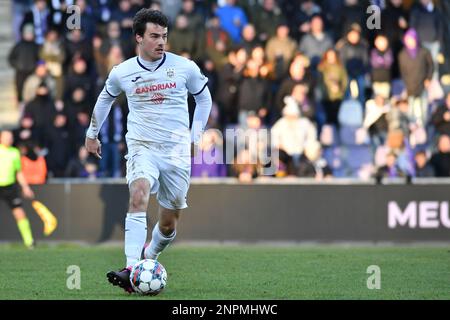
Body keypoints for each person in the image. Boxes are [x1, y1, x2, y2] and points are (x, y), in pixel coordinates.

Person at [85, 9, 212, 293]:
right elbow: (104, 99)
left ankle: (149, 257)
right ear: (139, 38)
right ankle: (131, 270)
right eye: (154, 36)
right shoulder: (123, 72)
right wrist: (92, 134)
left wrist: (196, 136)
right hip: (142, 146)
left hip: (177, 152)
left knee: (168, 225)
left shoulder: (185, 68)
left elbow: (204, 99)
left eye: (164, 36)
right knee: (138, 194)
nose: (161, 42)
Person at [0, 130, 35, 249]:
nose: (9, 139)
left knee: (19, 213)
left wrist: (25, 187)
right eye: (6, 137)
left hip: (9, 187)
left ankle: (29, 242)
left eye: (10, 137)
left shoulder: (14, 153)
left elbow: (19, 172)